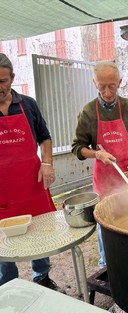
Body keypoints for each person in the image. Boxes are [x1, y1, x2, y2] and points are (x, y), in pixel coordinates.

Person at [72, 60, 128, 269]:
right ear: (94, 83)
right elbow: (78, 147)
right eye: (102, 87)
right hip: (106, 179)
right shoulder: (89, 112)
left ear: (120, 82)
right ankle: (107, 265)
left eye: (112, 86)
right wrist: (98, 154)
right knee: (107, 223)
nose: (107, 92)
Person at [0, 53, 63, 292]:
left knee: (41, 231)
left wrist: (47, 162)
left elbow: (45, 138)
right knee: (3, 242)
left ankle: (42, 276)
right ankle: (8, 285)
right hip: (2, 188)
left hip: (31, 183)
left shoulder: (27, 104)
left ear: (12, 78)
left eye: (3, 81)